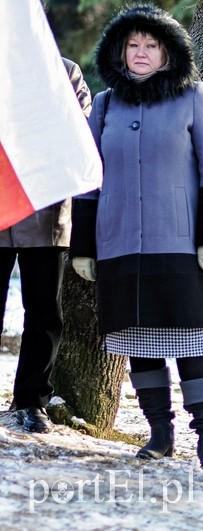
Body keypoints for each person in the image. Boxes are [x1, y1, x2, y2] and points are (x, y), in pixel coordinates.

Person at [70, 5, 203, 469]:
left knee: (190, 343)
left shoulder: (193, 96)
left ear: (167, 52)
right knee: (137, 343)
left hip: (180, 245)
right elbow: (88, 177)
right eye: (132, 45)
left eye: (151, 45)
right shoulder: (104, 104)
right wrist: (83, 245)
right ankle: (160, 432)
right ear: (120, 52)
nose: (141, 53)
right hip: (119, 244)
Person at [1, 57, 91, 433]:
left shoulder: (64, 71)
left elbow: (78, 127)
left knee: (43, 313)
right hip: (2, 206)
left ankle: (31, 401)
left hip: (47, 214)